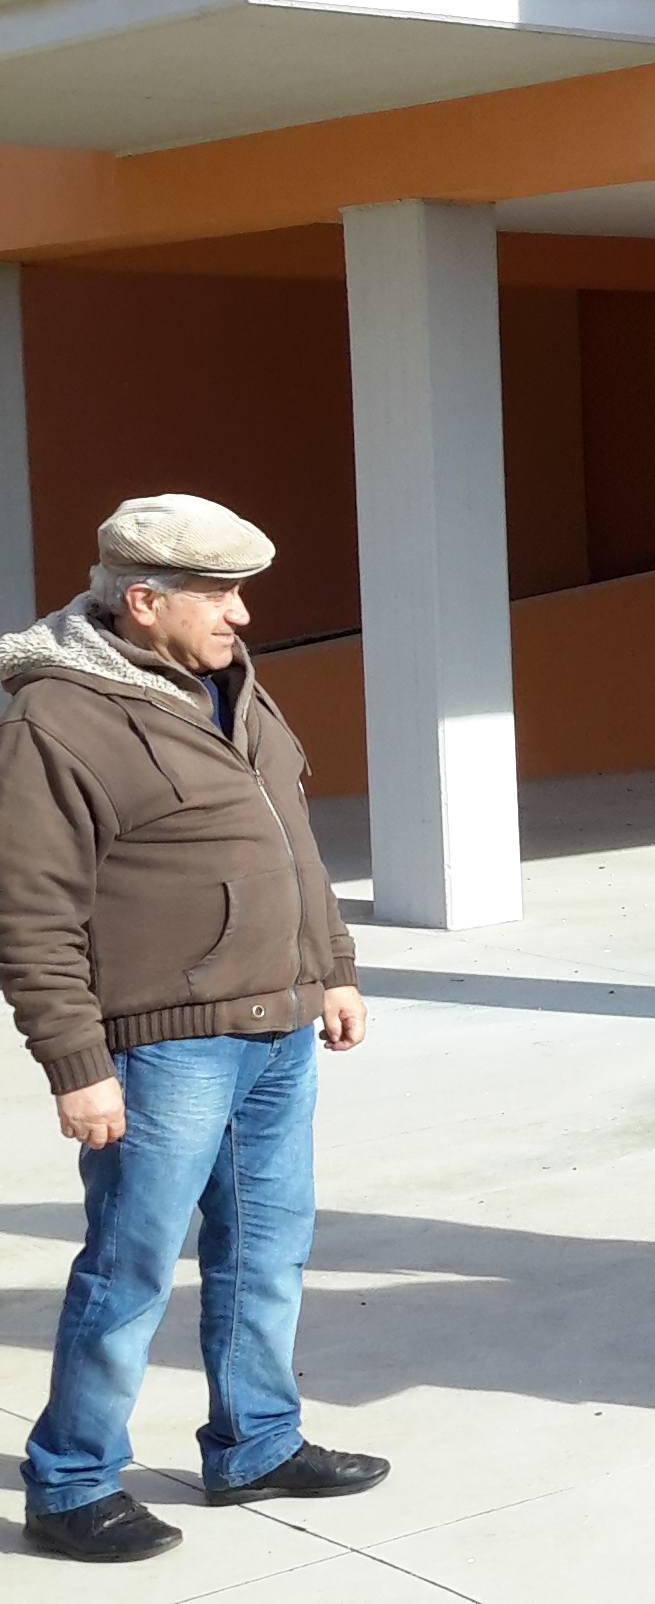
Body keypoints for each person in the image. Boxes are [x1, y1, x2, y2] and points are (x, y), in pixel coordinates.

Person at [2, 496, 388, 1564]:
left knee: (269, 1249)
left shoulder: (236, 689)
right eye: (219, 596)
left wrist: (333, 969)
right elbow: (30, 912)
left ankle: (257, 1442)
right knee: (130, 1267)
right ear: (143, 600)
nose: (242, 615)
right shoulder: (56, 719)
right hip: (160, 1048)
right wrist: (76, 1065)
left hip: (279, 1029)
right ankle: (72, 1482)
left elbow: (292, 843)